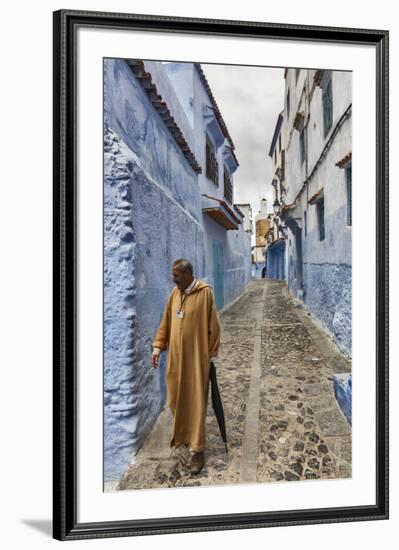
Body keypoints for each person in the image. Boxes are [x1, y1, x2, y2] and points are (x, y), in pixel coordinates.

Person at [151, 258, 221, 475]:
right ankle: (182, 435)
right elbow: (166, 321)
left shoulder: (205, 293)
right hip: (175, 359)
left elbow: (214, 326)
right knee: (174, 399)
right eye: (173, 276)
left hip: (195, 360)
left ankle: (197, 449)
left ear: (189, 273)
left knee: (196, 403)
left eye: (177, 276)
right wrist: (158, 346)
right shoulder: (175, 294)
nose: (173, 280)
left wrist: (207, 355)